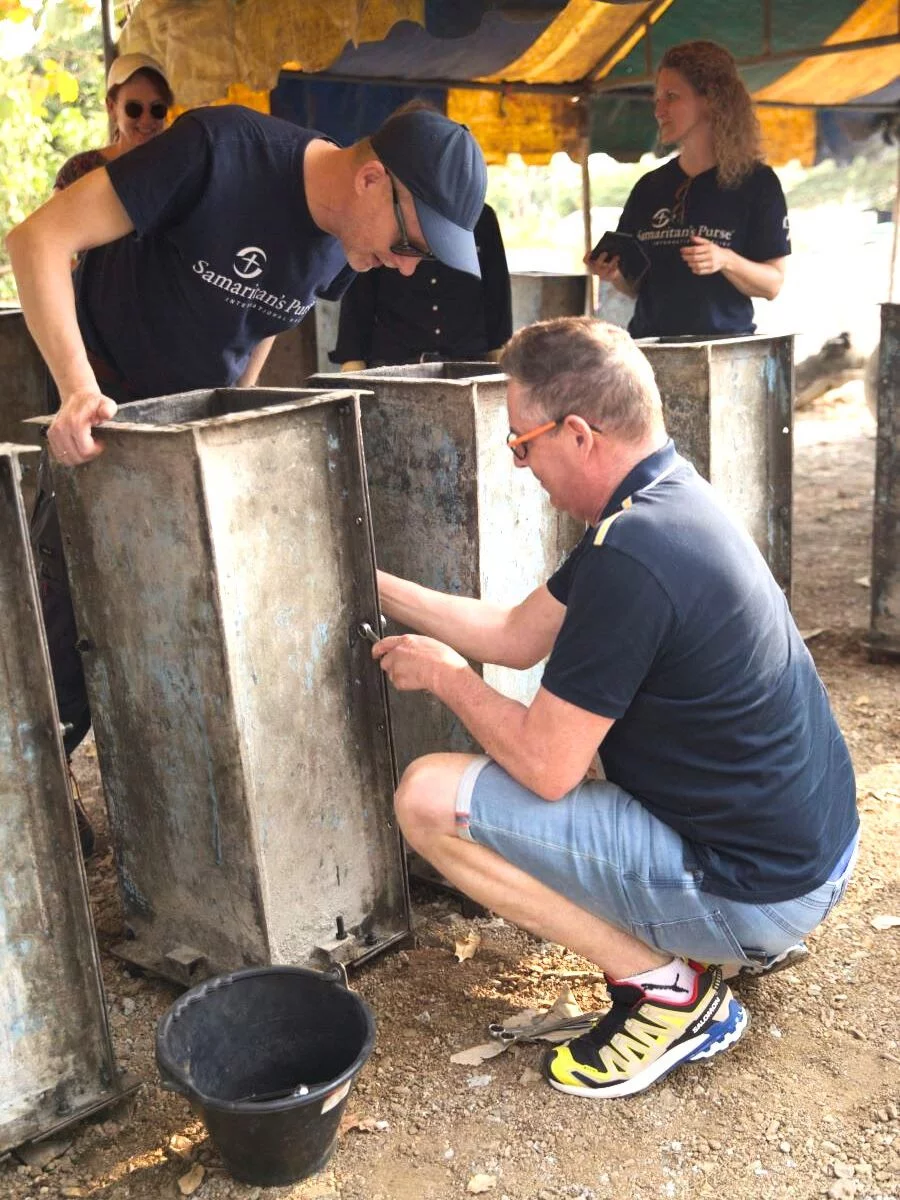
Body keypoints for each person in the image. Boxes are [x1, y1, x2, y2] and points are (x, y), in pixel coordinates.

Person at [371, 316, 858, 1100]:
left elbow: (546, 768)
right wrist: (372, 582)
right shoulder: (664, 501)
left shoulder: (632, 556)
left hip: (763, 890)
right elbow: (512, 635)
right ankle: (722, 942)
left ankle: (670, 996)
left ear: (576, 433)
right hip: (807, 860)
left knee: (428, 797)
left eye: (520, 443)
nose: (521, 463)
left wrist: (450, 680)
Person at [6, 103, 487, 836]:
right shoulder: (219, 152)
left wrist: (236, 423)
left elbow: (260, 325)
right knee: (59, 640)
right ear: (369, 179)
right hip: (106, 430)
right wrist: (77, 389)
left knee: (183, 641)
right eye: (409, 243)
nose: (406, 266)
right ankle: (25, 801)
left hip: (196, 447)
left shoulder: (341, 242)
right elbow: (37, 239)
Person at [586, 40, 790, 339]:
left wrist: (725, 259)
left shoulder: (757, 183)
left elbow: (773, 284)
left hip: (721, 352)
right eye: (656, 99)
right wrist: (614, 274)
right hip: (649, 349)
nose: (659, 110)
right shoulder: (649, 187)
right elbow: (636, 286)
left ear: (711, 100)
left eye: (671, 97)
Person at [331, 203, 512, 368]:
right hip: (394, 364)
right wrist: (352, 362)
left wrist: (501, 359)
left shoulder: (481, 217)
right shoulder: (383, 216)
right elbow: (359, 295)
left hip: (468, 362)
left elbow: (497, 293)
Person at [54, 53, 174, 192]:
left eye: (157, 108)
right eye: (134, 108)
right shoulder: (79, 172)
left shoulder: (179, 171)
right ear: (111, 107)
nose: (146, 120)